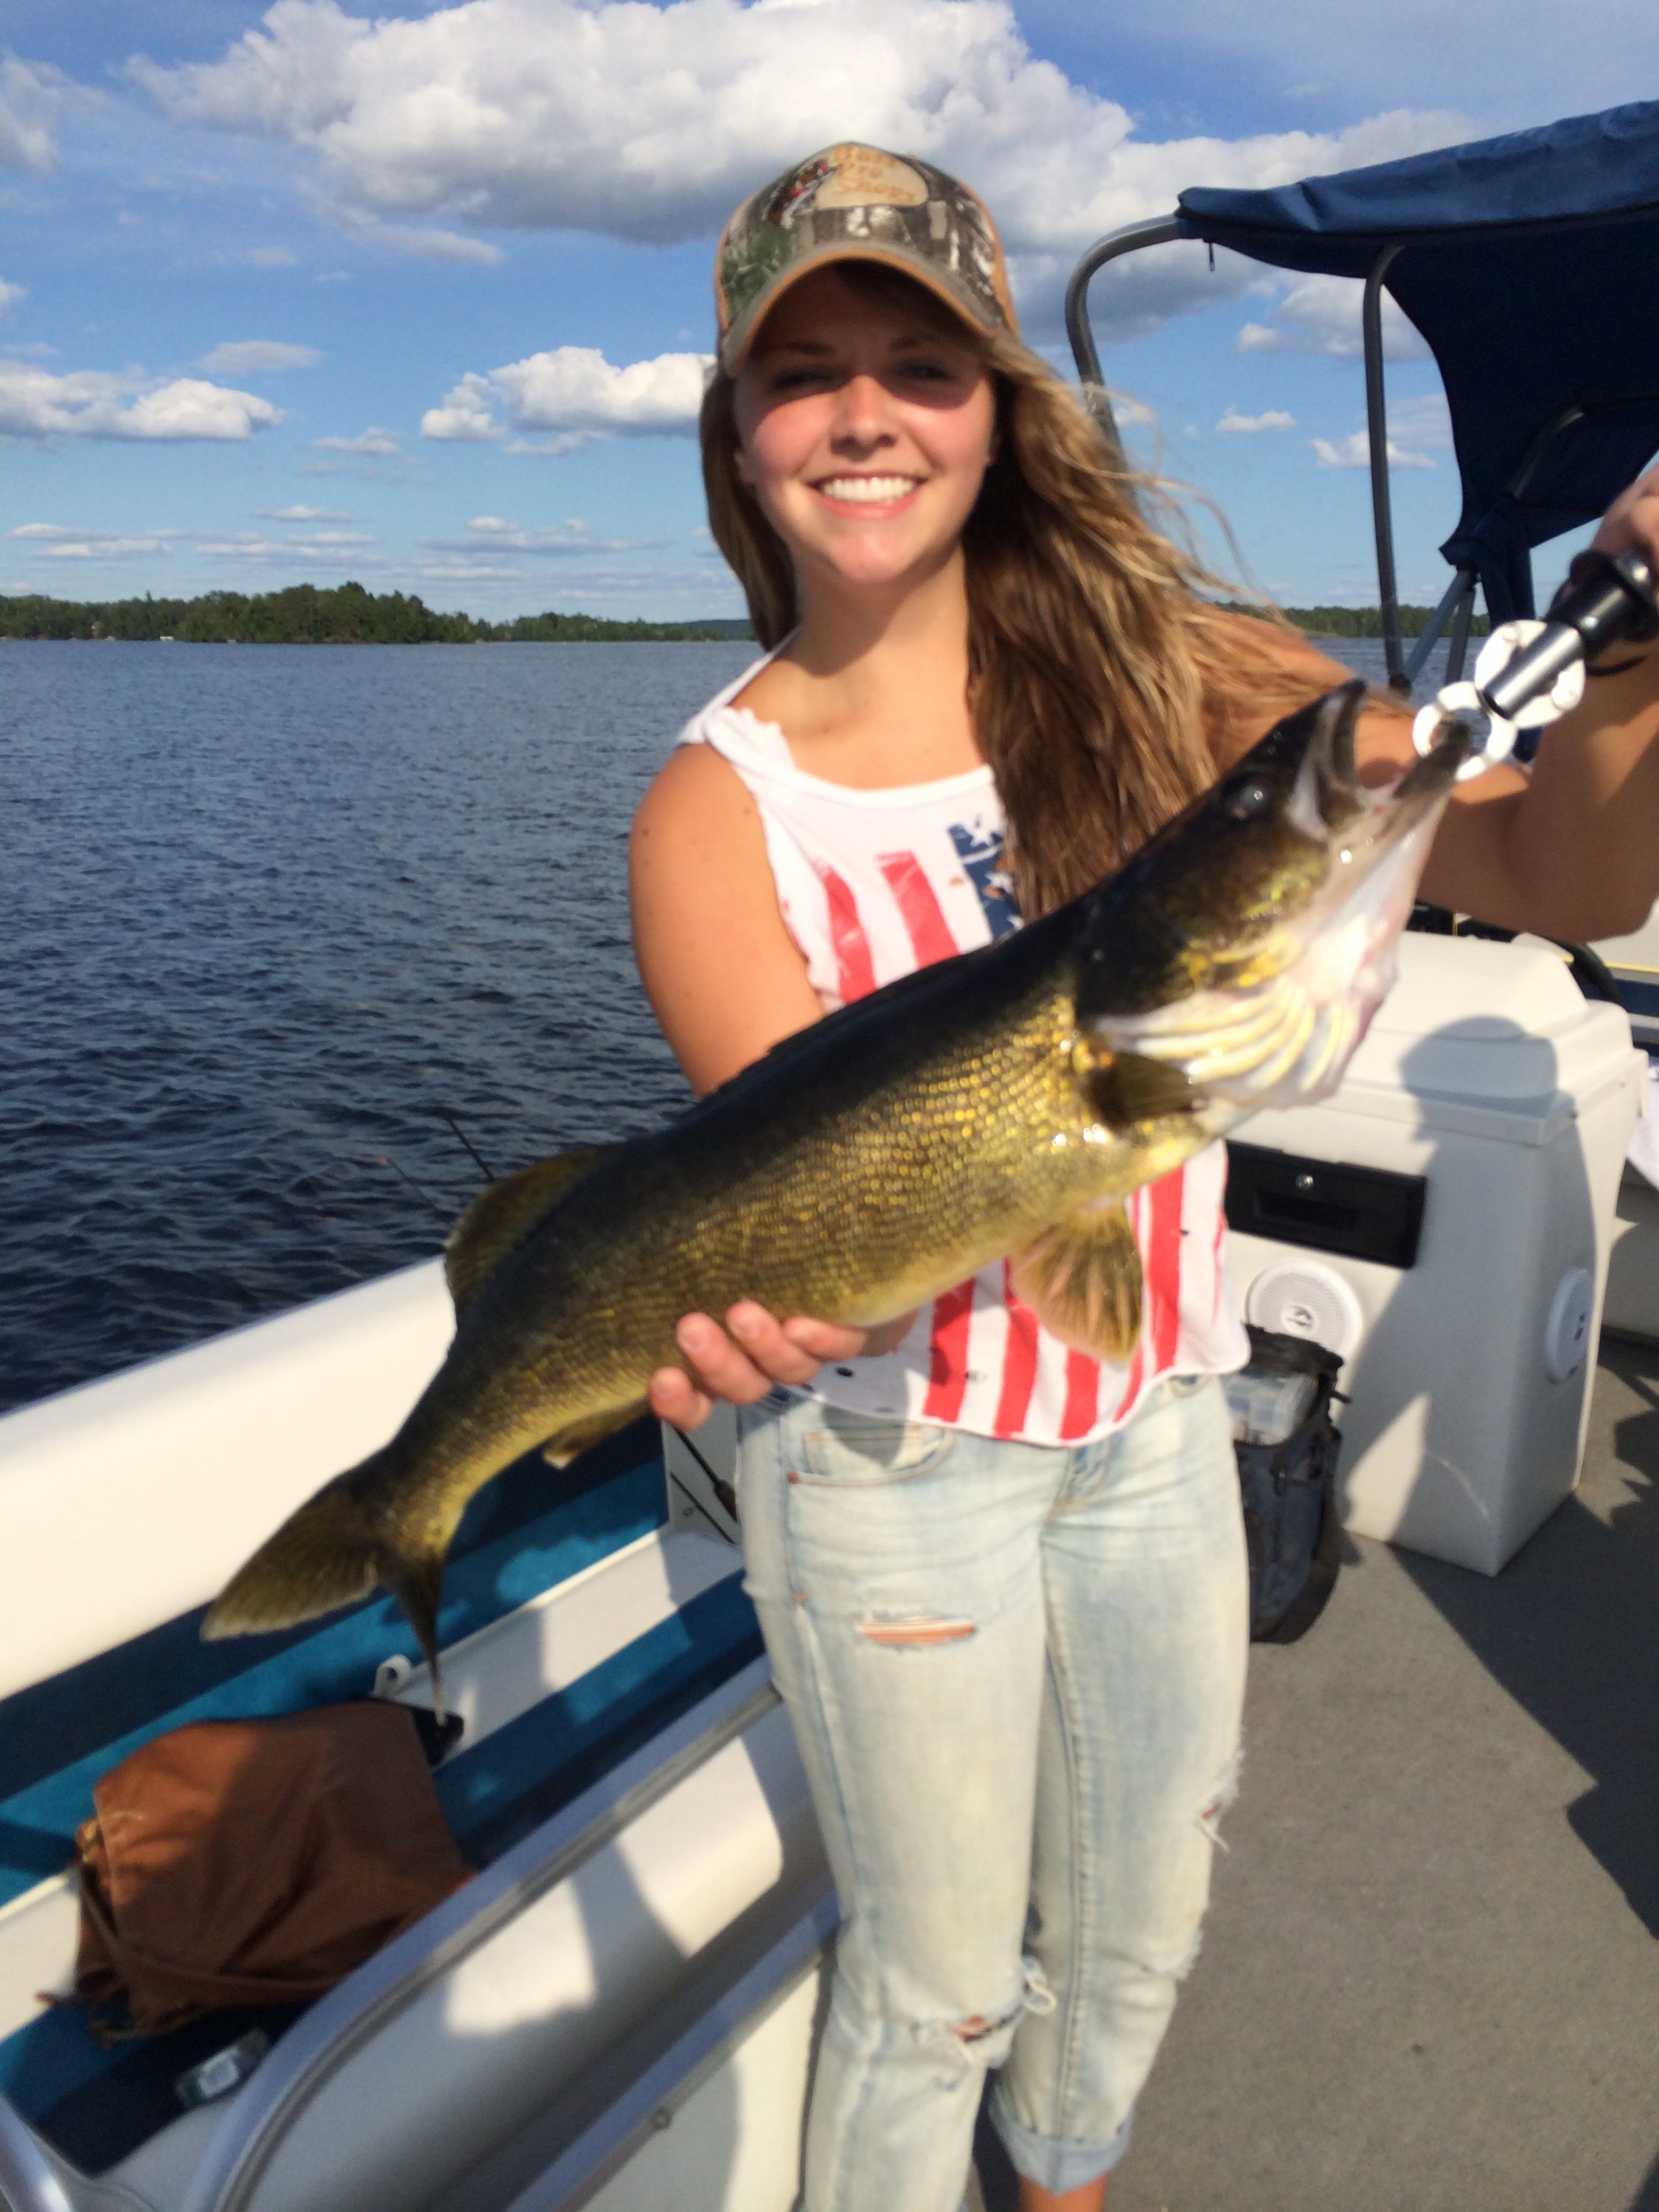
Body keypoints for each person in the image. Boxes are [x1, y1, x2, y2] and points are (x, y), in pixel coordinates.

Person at [628, 142, 1659, 2212]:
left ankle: (1073, 2188)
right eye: (799, 368)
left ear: (999, 407)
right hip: (895, 1469)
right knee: (932, 1992)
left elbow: (1559, 870)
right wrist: (740, 1299)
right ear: (737, 441)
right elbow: (812, 1198)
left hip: (1162, 1429)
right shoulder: (706, 811)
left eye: (919, 364)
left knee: (1140, 1922)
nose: (859, 412)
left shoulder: (1193, 677)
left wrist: (1626, 654)